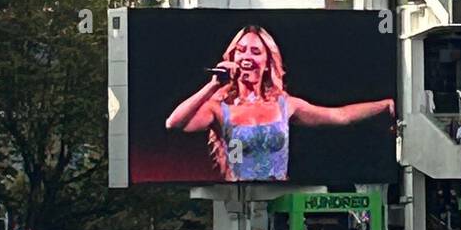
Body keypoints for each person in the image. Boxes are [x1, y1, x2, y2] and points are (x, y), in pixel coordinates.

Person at [166, 25, 395, 181]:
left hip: (279, 187)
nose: (246, 57)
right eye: (241, 51)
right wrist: (213, 85)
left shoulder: (284, 104)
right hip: (234, 190)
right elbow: (174, 123)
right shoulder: (219, 106)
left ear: (266, 62)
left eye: (255, 52)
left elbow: (340, 115)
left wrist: (384, 105)